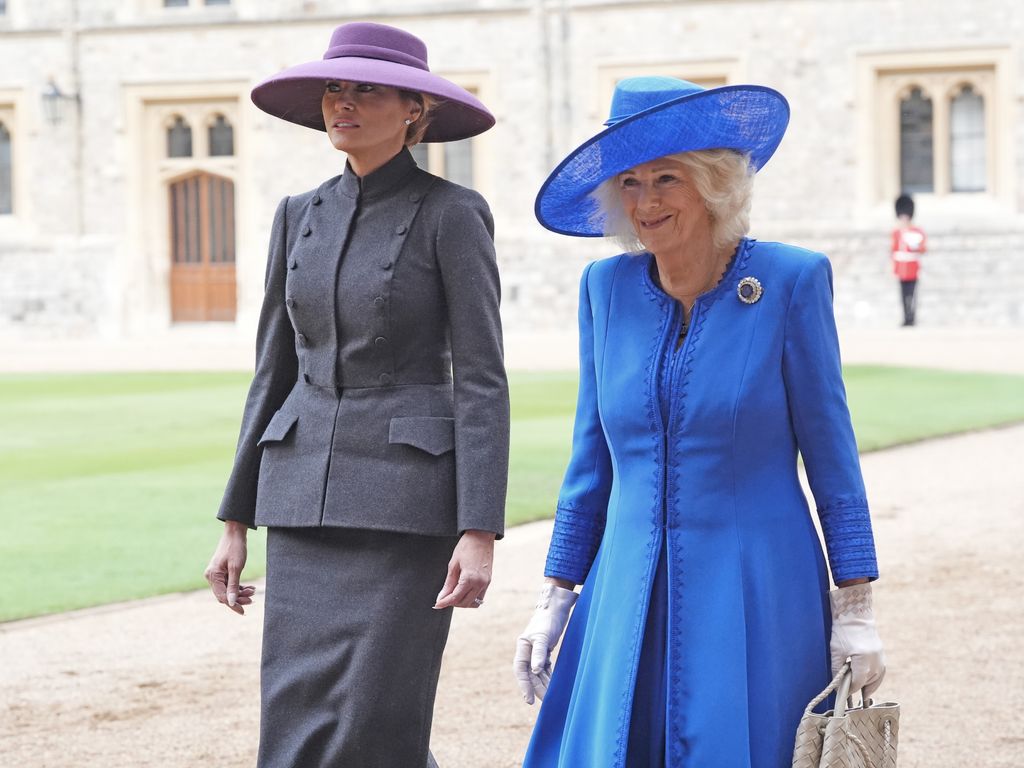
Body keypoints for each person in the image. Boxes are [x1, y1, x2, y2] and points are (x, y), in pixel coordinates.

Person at [512, 77, 886, 767]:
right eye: (629, 182)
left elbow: (832, 455)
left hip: (756, 584)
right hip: (624, 583)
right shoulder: (604, 290)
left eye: (666, 178)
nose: (645, 201)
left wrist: (855, 606)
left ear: (713, 184)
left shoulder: (792, 282)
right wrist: (557, 592)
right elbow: (590, 459)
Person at [203, 22, 509, 768]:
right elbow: (270, 373)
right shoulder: (294, 215)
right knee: (299, 715)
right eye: (335, 88)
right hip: (300, 500)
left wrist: (479, 529)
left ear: (413, 109)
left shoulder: (452, 213)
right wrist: (235, 517)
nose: (343, 102)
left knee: (377, 717)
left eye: (366, 89)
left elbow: (480, 377)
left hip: (406, 507)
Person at [891, 193, 926, 326]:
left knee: (912, 294)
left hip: (912, 267)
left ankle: (911, 317)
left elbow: (923, 249)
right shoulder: (896, 233)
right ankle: (906, 316)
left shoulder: (917, 231)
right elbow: (894, 250)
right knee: (903, 294)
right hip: (901, 267)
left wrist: (915, 246)